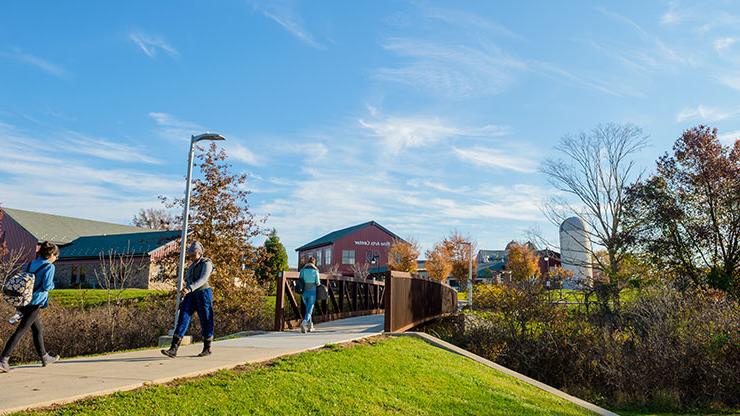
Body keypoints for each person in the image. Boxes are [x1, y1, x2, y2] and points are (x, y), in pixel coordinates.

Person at [0, 241, 60, 372]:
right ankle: (3, 360)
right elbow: (47, 286)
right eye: (56, 256)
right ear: (51, 255)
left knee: (37, 329)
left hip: (23, 301)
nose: (56, 258)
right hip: (35, 303)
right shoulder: (49, 267)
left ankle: (45, 357)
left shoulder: (30, 265)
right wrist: (54, 285)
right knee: (21, 330)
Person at [161, 241, 215, 358]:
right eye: (190, 255)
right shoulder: (191, 267)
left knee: (206, 319)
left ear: (199, 253)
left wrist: (189, 288)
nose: (191, 257)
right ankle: (173, 349)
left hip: (203, 293)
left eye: (193, 254)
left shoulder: (207, 263)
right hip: (191, 295)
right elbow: (188, 280)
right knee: (183, 317)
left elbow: (203, 279)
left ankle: (207, 348)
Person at [298, 257, 321, 333]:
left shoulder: (303, 270)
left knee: (308, 309)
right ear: (314, 263)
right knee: (309, 310)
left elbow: (300, 279)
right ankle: (304, 323)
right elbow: (317, 283)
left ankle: (310, 326)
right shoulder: (315, 271)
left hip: (304, 292)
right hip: (312, 292)